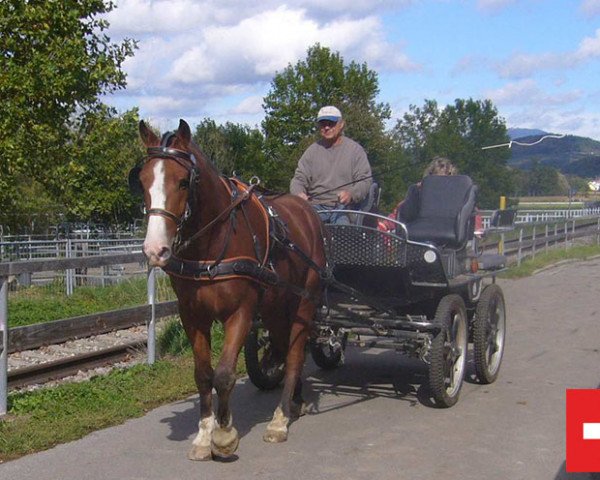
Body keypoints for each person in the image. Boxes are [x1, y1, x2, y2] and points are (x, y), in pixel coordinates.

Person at [290, 105, 372, 224]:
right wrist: (299, 193)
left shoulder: (355, 150)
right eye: (323, 124)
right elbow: (299, 179)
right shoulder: (312, 151)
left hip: (344, 208)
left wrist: (351, 194)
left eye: (331, 123)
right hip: (315, 207)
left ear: (341, 124)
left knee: (342, 230)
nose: (327, 127)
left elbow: (365, 181)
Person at [378, 156, 476, 232]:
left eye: (445, 181)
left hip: (453, 242)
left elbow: (471, 213)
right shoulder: (419, 192)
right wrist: (384, 225)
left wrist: (476, 230)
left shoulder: (460, 195)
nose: (440, 186)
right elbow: (402, 212)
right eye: (435, 181)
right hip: (421, 241)